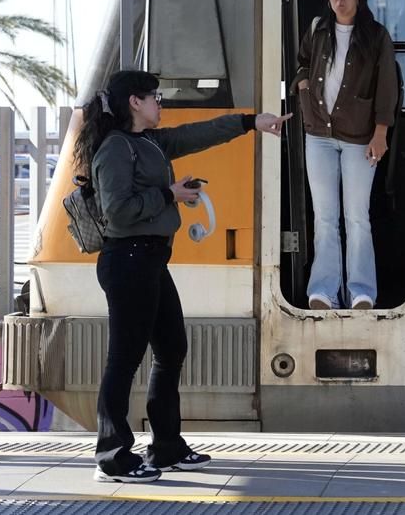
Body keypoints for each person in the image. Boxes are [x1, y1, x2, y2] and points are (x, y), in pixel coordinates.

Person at [74, 70, 289, 483]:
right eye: (155, 97)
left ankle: (166, 446)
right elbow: (118, 211)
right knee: (125, 358)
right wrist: (168, 194)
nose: (161, 104)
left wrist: (251, 122)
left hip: (151, 260)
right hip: (128, 260)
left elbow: (197, 134)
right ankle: (112, 455)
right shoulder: (116, 147)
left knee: (171, 348)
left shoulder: (149, 142)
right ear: (135, 102)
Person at [290, 0, 398, 311]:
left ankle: (362, 292)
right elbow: (303, 62)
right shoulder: (318, 28)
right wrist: (303, 86)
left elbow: (387, 88)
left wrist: (380, 133)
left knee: (357, 218)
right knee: (324, 218)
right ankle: (323, 291)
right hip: (318, 134)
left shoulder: (376, 36)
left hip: (360, 137)